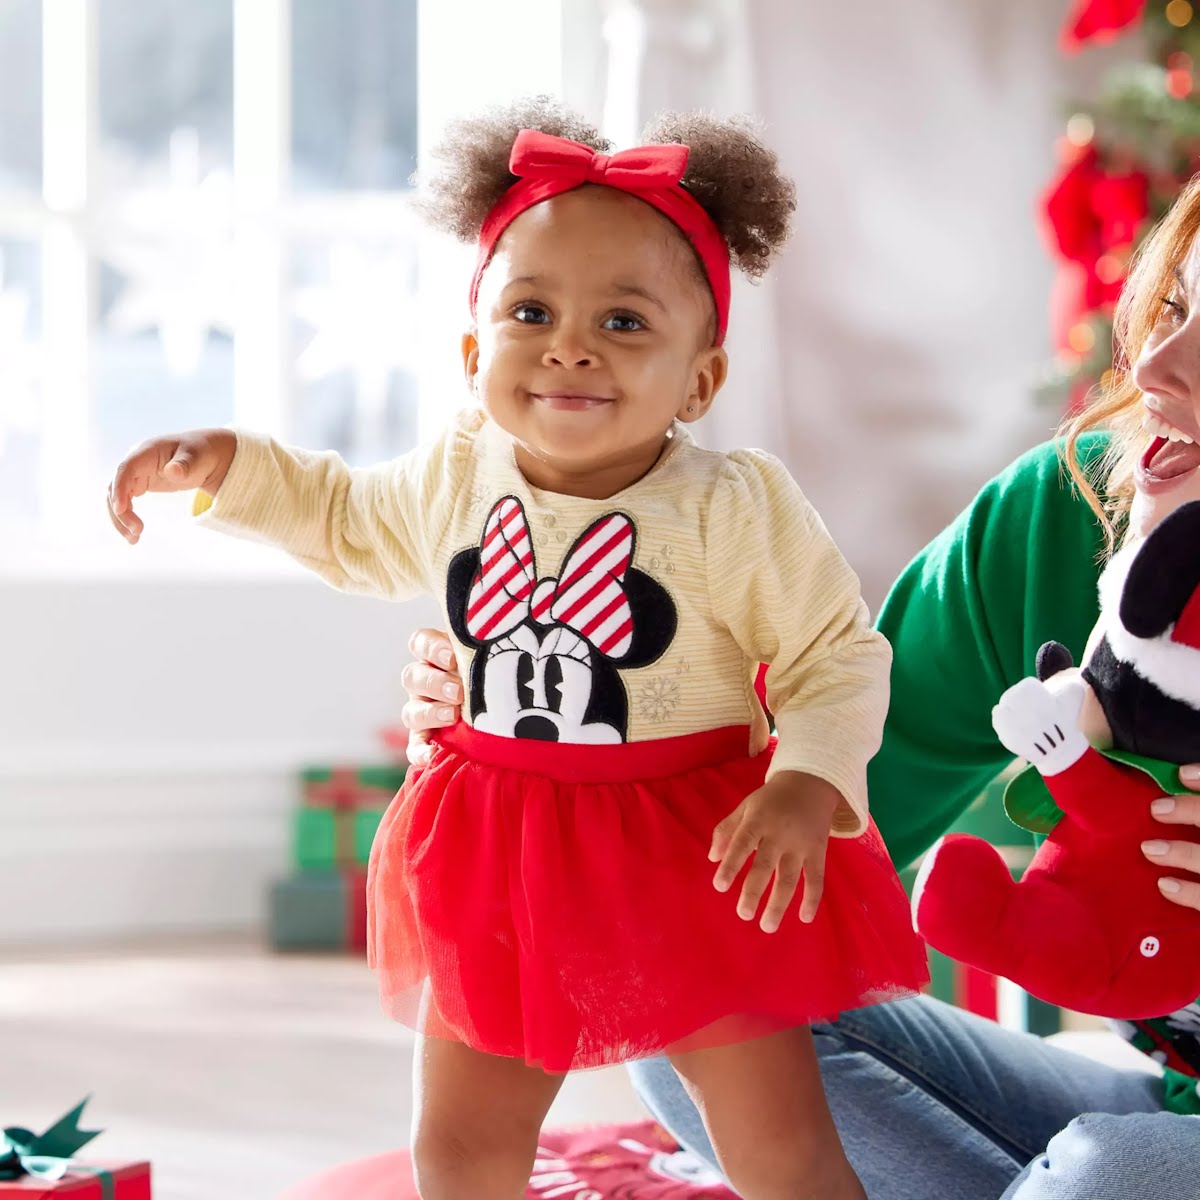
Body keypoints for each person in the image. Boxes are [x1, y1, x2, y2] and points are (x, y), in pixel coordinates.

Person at [104, 100, 928, 1200]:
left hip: (691, 852)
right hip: (498, 849)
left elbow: (837, 652)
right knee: (457, 1145)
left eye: (626, 323)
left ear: (702, 379)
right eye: (530, 311)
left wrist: (806, 778)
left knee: (775, 1146)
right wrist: (228, 467)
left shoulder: (733, 508)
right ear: (471, 348)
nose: (570, 346)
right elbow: (347, 518)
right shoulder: (458, 470)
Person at [399, 175, 1200, 1197]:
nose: (1162, 368)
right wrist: (533, 690)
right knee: (705, 993)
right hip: (1165, 1106)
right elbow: (821, 806)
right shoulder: (1065, 515)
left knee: (1108, 1177)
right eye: (1173, 310)